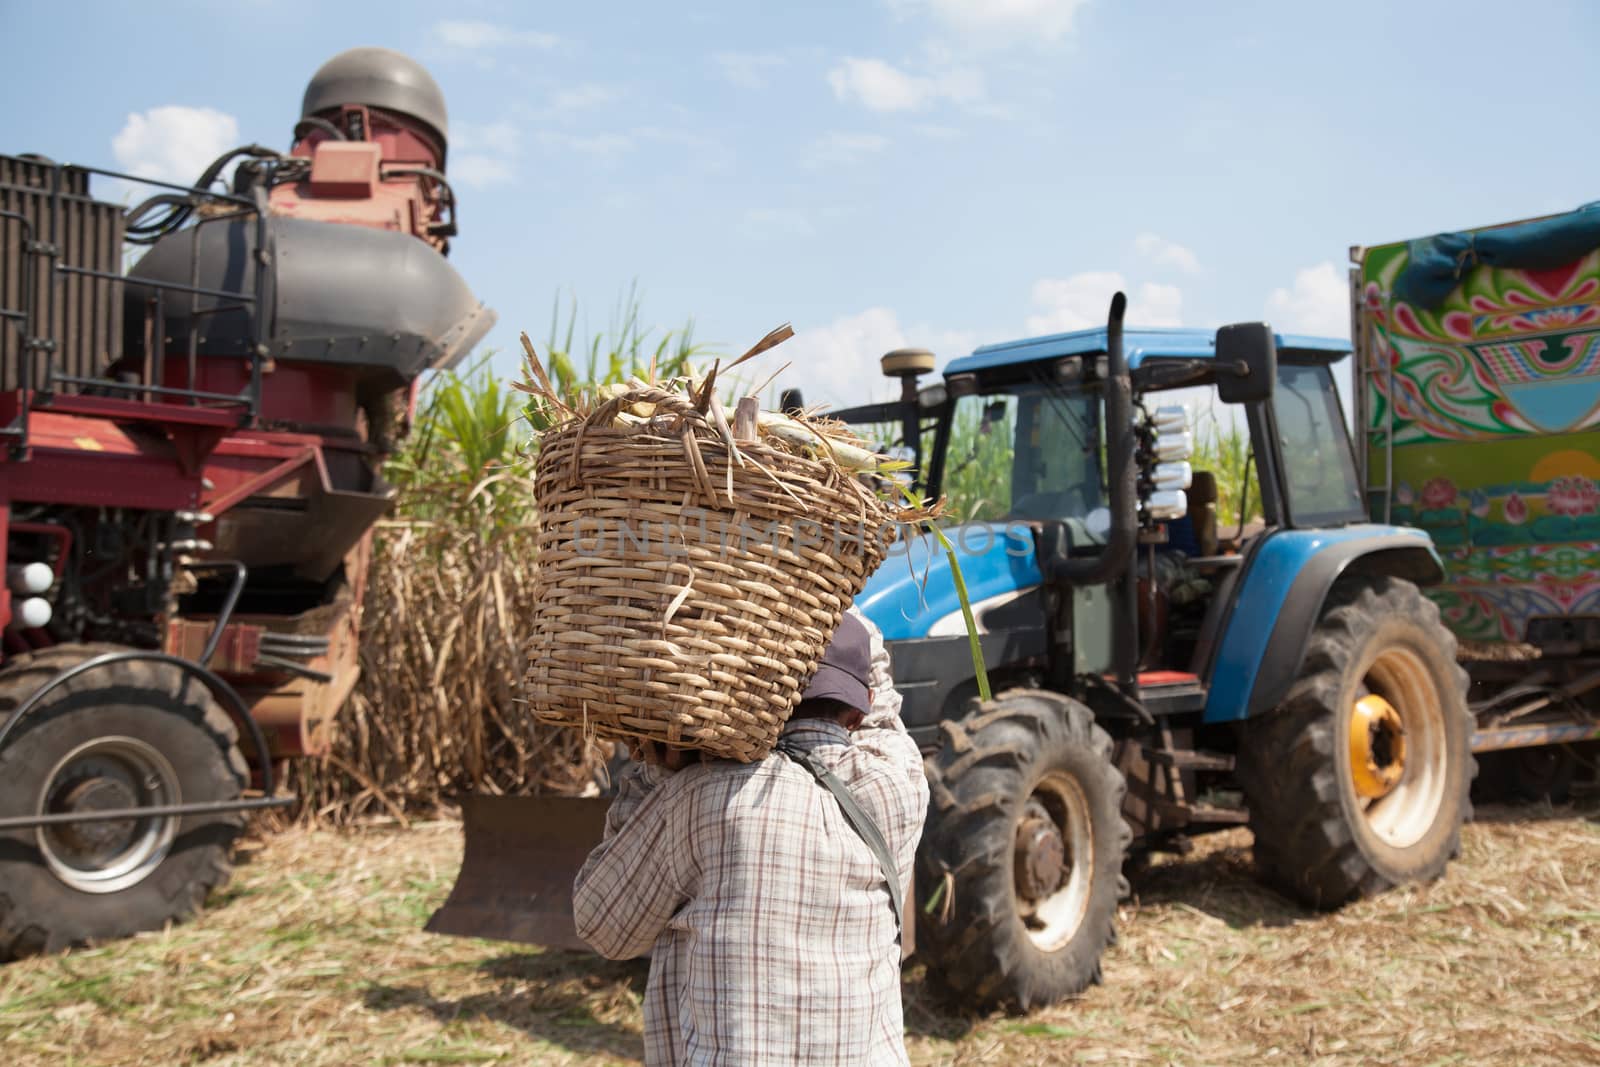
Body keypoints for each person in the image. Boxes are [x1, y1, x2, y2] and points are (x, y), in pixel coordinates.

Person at [573, 608, 928, 1066]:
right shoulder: (900, 784)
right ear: (858, 711)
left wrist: (651, 760)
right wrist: (839, 595)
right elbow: (884, 711)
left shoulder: (702, 799)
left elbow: (603, 926)